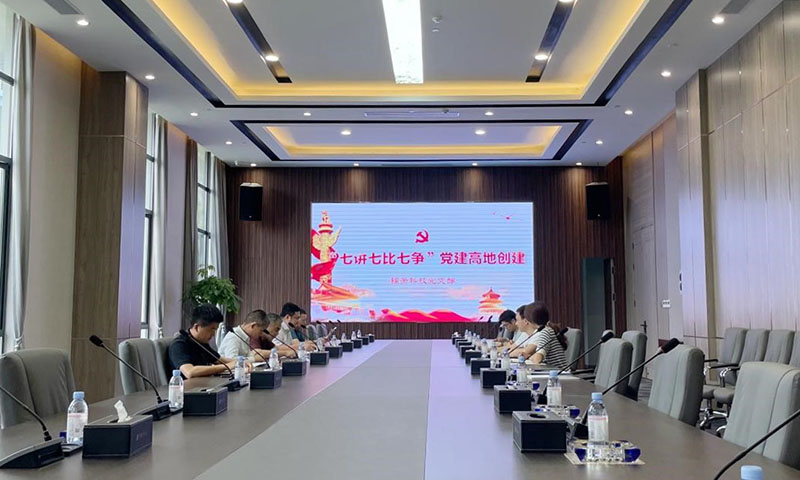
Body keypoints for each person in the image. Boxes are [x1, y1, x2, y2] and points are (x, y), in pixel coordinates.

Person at [168, 304, 252, 378]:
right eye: (212, 329)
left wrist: (240, 362)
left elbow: (220, 360)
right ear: (197, 327)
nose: (214, 334)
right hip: (186, 389)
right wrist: (226, 366)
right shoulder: (179, 344)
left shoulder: (201, 342)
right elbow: (190, 372)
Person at [218, 309, 295, 360]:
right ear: (253, 326)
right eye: (261, 331)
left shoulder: (245, 336)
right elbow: (231, 361)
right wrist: (254, 358)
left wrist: (255, 356)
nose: (261, 334)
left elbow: (250, 356)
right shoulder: (234, 336)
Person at [517, 302, 568, 369]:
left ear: (529, 320)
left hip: (560, 372)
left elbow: (537, 359)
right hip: (553, 371)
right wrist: (530, 356)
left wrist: (530, 357)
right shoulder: (545, 330)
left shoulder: (545, 332)